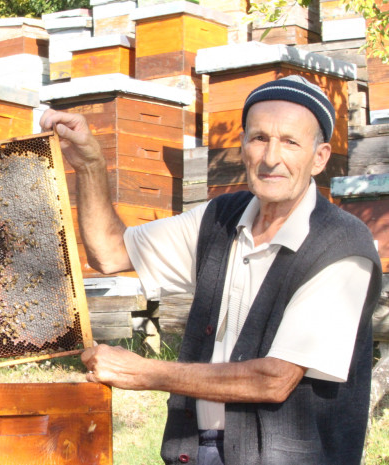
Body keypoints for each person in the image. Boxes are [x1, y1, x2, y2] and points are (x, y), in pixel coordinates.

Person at [39, 75, 382, 465]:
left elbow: (274, 379)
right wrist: (90, 164)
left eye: (290, 142)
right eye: (259, 138)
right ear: (242, 146)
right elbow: (111, 252)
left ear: (319, 157)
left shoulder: (341, 246)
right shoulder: (220, 218)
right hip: (198, 450)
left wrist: (145, 372)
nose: (271, 158)